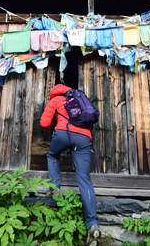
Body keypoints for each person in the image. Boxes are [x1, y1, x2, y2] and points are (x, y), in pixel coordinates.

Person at [40, 84, 100, 246]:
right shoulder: (79, 98)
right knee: (84, 179)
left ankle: (54, 189)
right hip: (84, 138)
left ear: (54, 92)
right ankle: (93, 224)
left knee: (52, 155)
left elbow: (44, 123)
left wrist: (56, 120)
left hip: (63, 133)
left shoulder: (56, 100)